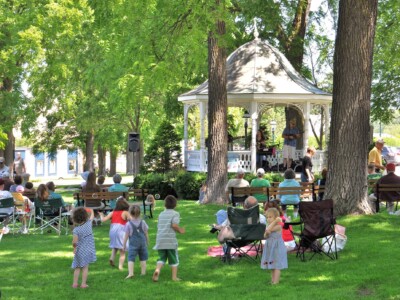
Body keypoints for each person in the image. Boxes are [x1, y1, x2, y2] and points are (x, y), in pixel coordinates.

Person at [152, 195, 185, 282]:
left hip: (160, 240)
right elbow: (174, 225)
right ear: (175, 205)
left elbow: (159, 225)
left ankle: (157, 270)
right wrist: (180, 230)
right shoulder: (175, 214)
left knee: (161, 257)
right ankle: (174, 277)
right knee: (173, 259)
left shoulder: (161, 214)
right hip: (170, 240)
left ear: (164, 204)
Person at [100, 197, 131, 270]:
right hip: (121, 232)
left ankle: (112, 258)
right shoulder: (125, 213)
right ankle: (120, 266)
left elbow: (103, 220)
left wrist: (101, 215)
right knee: (122, 251)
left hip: (112, 231)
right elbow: (132, 220)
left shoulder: (112, 212)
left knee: (115, 246)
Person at [261, 207, 288, 284]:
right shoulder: (269, 226)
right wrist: (266, 234)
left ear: (276, 218)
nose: (268, 219)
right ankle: (272, 280)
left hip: (277, 247)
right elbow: (265, 235)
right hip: (270, 247)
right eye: (267, 217)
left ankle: (276, 282)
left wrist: (276, 221)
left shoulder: (278, 226)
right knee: (271, 264)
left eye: (270, 217)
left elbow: (268, 229)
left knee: (276, 265)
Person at [71, 207, 96, 288]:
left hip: (79, 251)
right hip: (88, 250)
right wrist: (92, 211)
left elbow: (75, 242)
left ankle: (75, 283)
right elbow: (92, 217)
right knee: (85, 267)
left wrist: (74, 248)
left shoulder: (76, 230)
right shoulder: (89, 224)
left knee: (77, 267)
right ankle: (83, 284)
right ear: (85, 216)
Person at [123, 204, 149, 279]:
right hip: (142, 243)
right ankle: (143, 272)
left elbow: (126, 236)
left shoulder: (128, 224)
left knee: (131, 258)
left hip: (133, 245)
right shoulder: (143, 222)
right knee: (143, 258)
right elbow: (146, 233)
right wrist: (147, 241)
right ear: (140, 213)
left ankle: (131, 273)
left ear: (130, 213)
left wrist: (124, 245)